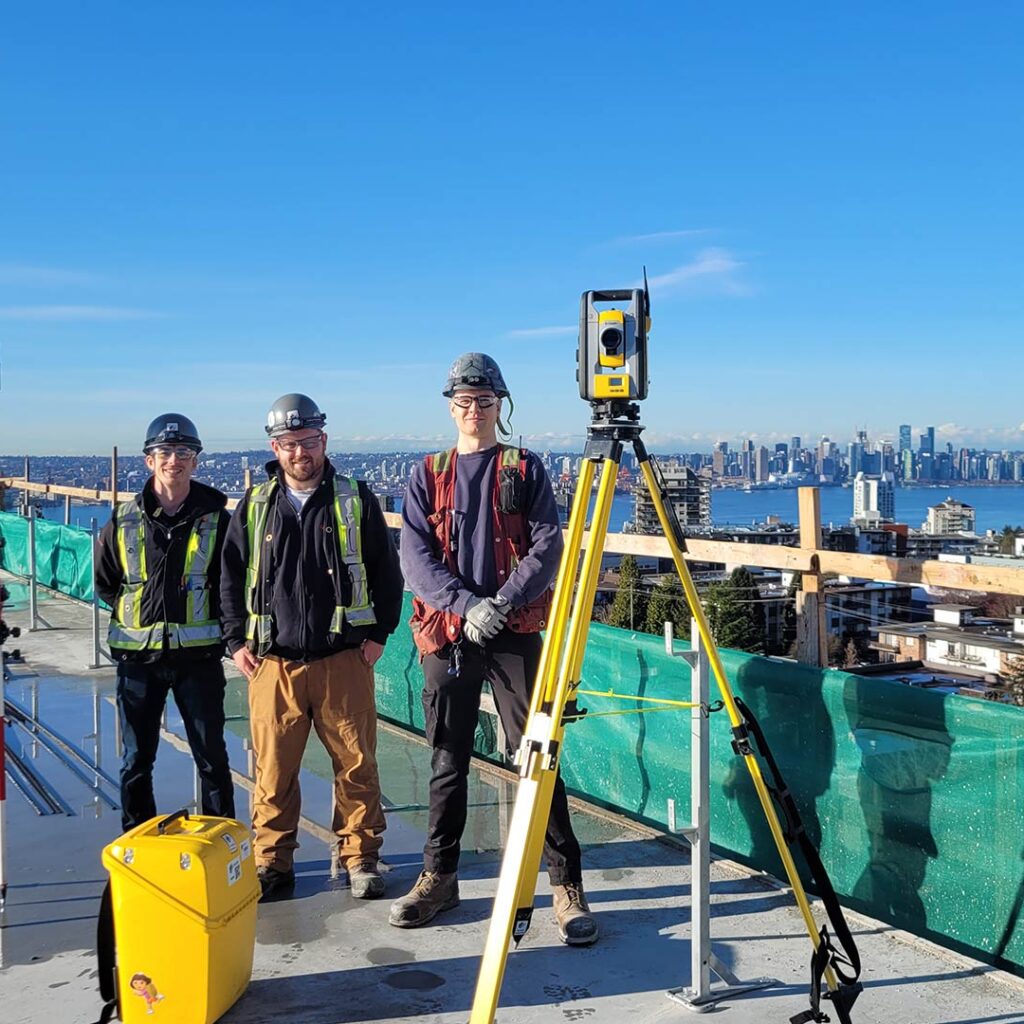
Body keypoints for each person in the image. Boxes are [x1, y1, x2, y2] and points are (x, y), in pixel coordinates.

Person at [390, 353, 598, 946]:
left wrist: (500, 603)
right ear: (450, 405)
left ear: (499, 406)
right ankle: (440, 876)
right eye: (464, 402)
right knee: (447, 758)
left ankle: (565, 884)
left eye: (484, 402)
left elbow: (546, 546)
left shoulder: (524, 468)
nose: (474, 411)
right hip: (449, 632)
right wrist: (464, 606)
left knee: (537, 756)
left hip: (511, 630)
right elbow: (416, 557)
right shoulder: (427, 472)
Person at [220, 393, 404, 902]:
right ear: (274, 448)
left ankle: (361, 857)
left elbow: (389, 573)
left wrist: (377, 636)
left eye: (307, 442)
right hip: (273, 663)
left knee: (356, 764)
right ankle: (273, 863)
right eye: (288, 444)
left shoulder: (354, 500)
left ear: (323, 441)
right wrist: (236, 642)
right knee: (273, 770)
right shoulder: (255, 508)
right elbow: (229, 579)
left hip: (342, 658)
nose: (299, 452)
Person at [96, 414, 235, 831]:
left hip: (199, 658)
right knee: (136, 758)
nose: (173, 460)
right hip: (138, 660)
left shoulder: (217, 520)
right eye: (165, 453)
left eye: (183, 453)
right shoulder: (124, 520)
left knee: (211, 754)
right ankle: (138, 839)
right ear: (149, 461)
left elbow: (230, 586)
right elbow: (106, 583)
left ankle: (223, 842)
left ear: (195, 462)